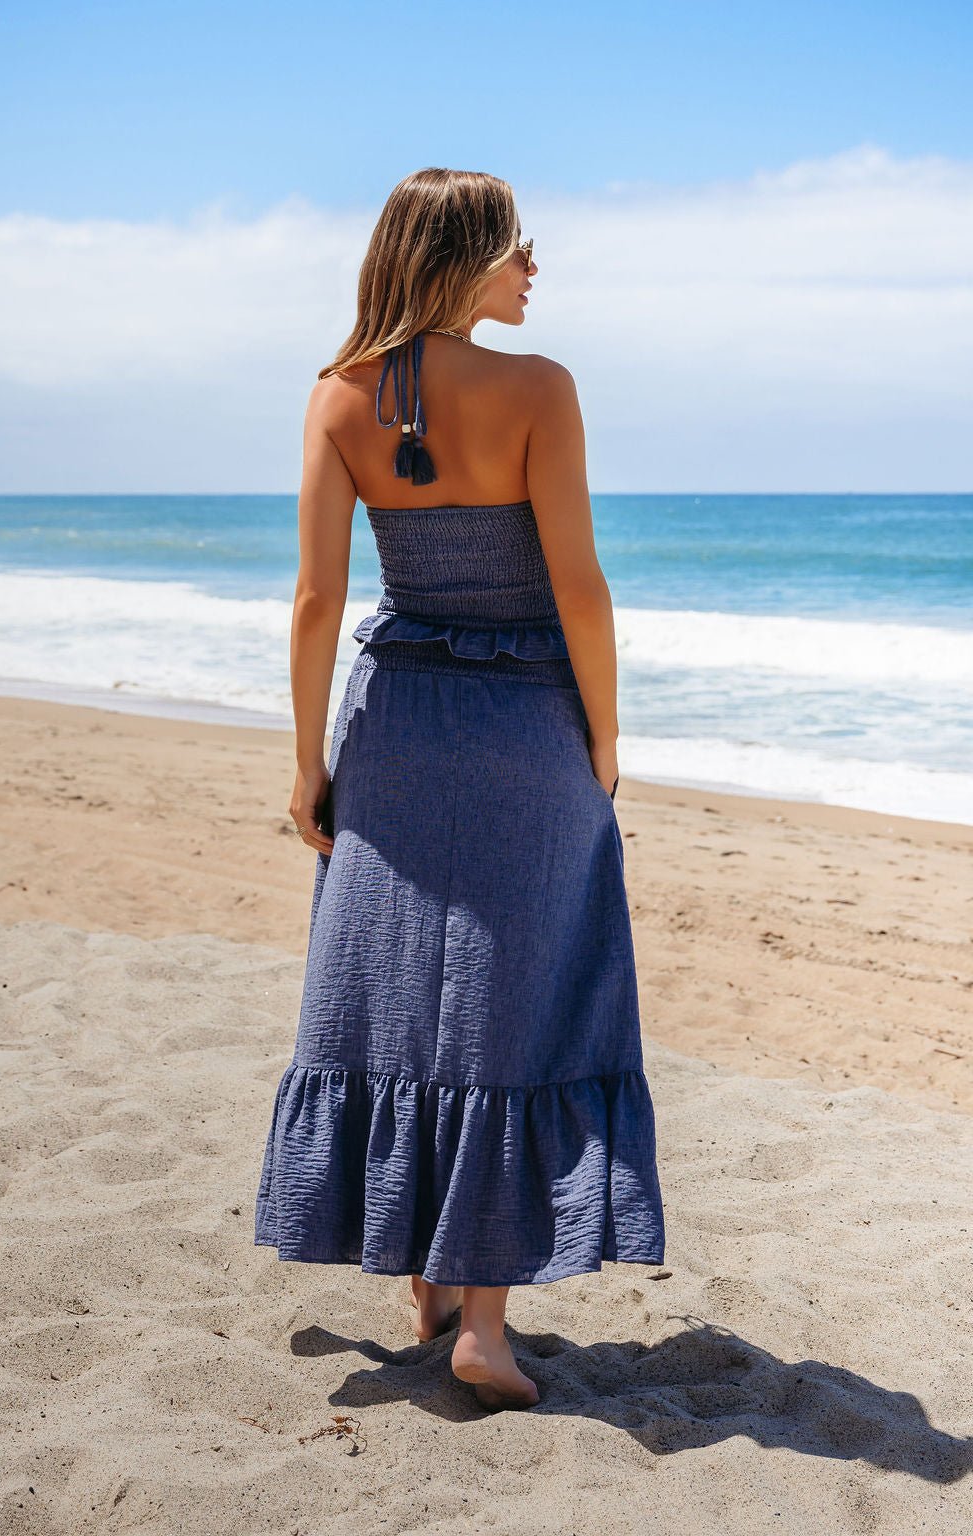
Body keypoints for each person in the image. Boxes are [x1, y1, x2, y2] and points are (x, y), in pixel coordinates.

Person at [254, 167, 665, 1411]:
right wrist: (603, 734)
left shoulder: (337, 395)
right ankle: (481, 1324)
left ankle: (423, 1282)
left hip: (396, 726)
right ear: (463, 258)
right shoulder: (540, 390)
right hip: (524, 726)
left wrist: (306, 760)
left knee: (384, 987)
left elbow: (320, 598)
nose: (534, 270)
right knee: (512, 998)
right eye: (517, 250)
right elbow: (578, 584)